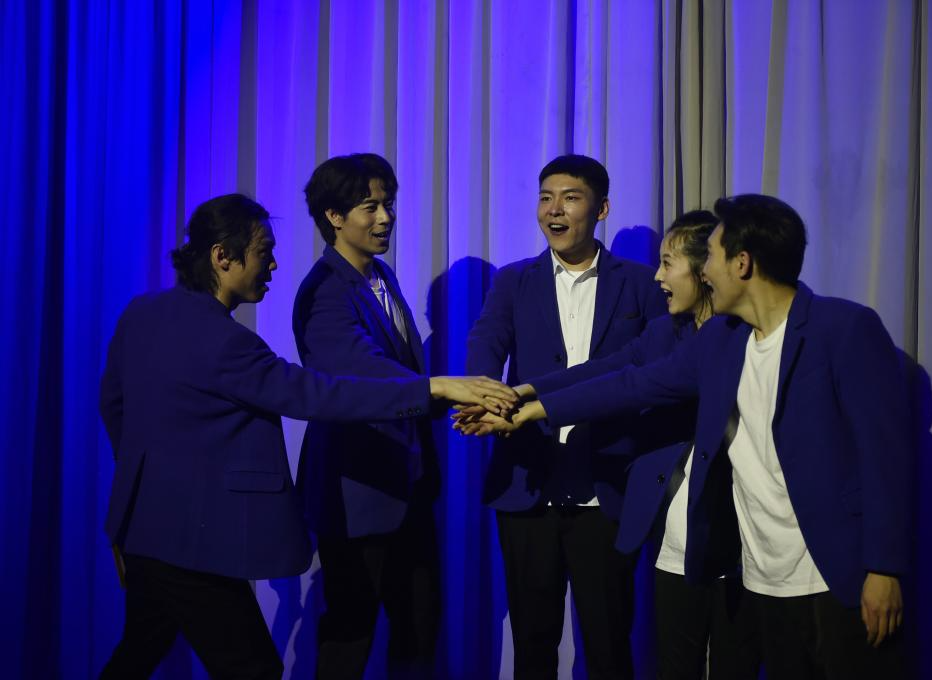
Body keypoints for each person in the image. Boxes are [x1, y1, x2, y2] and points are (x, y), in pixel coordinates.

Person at [465, 194, 912, 679]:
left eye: (711, 257)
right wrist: (530, 409)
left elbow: (884, 459)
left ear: (742, 263)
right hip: (764, 577)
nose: (704, 271)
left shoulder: (843, 329)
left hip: (835, 575)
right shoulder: (722, 339)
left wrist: (884, 567)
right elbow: (629, 382)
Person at [98, 194, 516, 679]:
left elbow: (114, 407)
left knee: (138, 652)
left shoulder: (142, 313)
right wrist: (434, 388)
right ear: (222, 256)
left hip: (143, 534)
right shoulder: (229, 343)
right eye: (263, 252)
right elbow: (318, 395)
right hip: (192, 545)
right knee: (252, 670)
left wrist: (132, 506)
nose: (274, 265)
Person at [463, 211, 760, 679]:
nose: (657, 277)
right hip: (674, 532)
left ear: (707, 269)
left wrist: (529, 412)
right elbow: (606, 370)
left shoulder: (736, 336)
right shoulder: (666, 331)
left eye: (667, 264)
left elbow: (630, 387)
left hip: (735, 527)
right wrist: (522, 393)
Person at [465, 155, 665, 679]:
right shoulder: (514, 281)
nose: (554, 210)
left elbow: (654, 370)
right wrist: (483, 392)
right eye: (545, 197)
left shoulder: (642, 284)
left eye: (570, 198)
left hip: (608, 488)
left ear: (602, 209)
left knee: (609, 643)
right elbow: (487, 342)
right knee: (532, 644)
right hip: (528, 486)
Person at [293, 153, 439, 678]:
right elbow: (362, 372)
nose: (385, 217)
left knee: (419, 628)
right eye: (370, 206)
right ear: (334, 216)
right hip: (356, 492)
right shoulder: (324, 291)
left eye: (388, 204)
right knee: (350, 635)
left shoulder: (380, 275)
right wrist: (444, 391)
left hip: (406, 485)